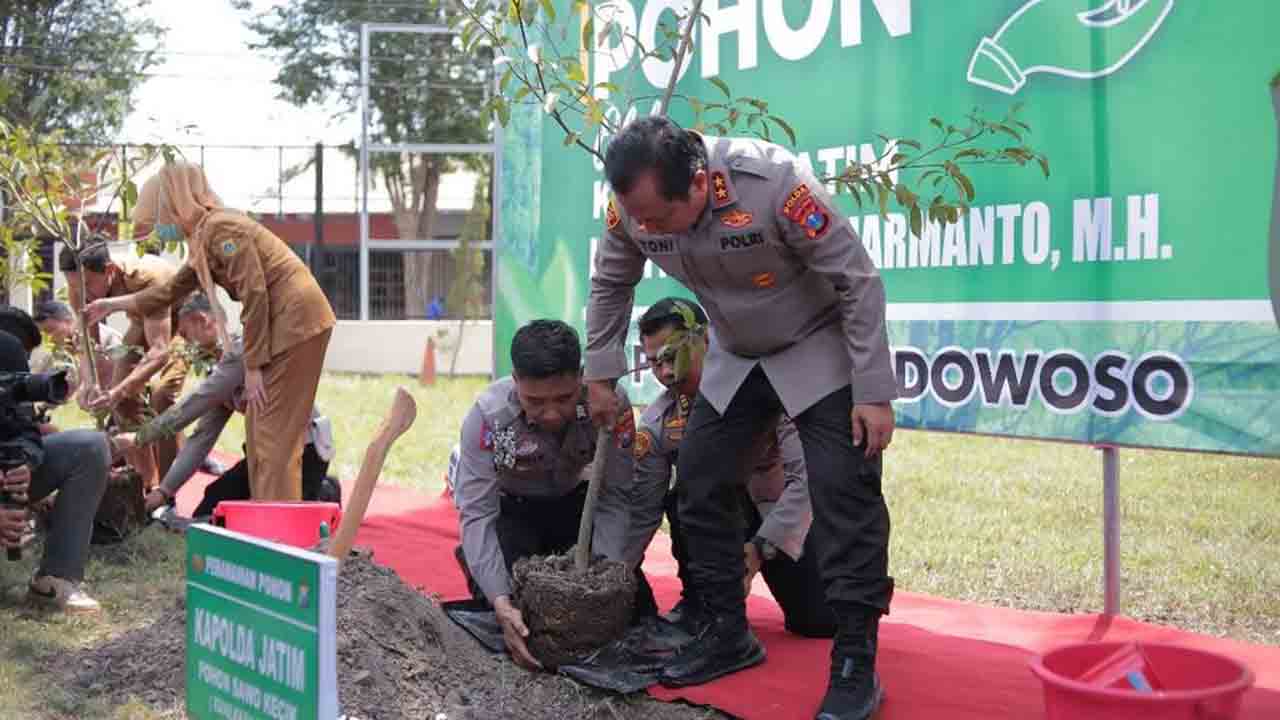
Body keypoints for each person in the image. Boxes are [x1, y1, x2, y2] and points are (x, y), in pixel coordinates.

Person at [585, 116, 898, 718]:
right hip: (736, 350)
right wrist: (600, 374)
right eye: (636, 218)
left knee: (844, 491)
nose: (642, 230)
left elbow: (858, 282)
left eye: (654, 219)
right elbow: (611, 282)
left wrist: (873, 391)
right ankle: (725, 627)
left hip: (816, 345)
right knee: (699, 480)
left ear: (700, 184)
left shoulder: (776, 184)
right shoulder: (633, 207)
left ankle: (856, 661)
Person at [83, 161, 337, 502]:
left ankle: (280, 532)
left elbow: (256, 291)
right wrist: (112, 305)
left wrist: (252, 365)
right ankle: (270, 520)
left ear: (177, 201)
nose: (161, 228)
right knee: (263, 438)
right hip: (282, 326)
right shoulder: (203, 239)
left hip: (296, 321)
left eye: (161, 215)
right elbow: (168, 291)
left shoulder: (224, 230)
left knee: (274, 440)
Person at [632, 298, 836, 639]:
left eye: (672, 356)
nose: (665, 373)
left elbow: (808, 482)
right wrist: (618, 571)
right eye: (654, 363)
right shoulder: (657, 421)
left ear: (706, 341)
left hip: (785, 518)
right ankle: (701, 598)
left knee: (818, 623)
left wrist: (758, 550)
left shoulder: (769, 393)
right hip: (721, 519)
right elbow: (642, 508)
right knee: (686, 491)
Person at [451, 319, 644, 670]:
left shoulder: (609, 407)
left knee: (633, 610)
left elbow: (616, 496)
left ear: (582, 376)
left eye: (564, 398)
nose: (552, 413)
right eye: (535, 401)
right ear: (515, 381)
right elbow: (478, 513)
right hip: (513, 512)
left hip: (573, 507)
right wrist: (499, 599)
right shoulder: (488, 417)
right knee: (519, 610)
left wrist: (600, 578)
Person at [111, 294, 339, 519]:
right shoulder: (220, 370)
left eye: (185, 334)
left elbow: (195, 403)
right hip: (266, 454)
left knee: (283, 523)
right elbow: (202, 438)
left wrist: (142, 437)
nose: (184, 344)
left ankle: (323, 492)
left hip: (302, 450)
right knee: (213, 508)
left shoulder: (242, 352)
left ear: (203, 320)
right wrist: (164, 491)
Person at [59, 242, 190, 490]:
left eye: (87, 285)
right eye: (74, 285)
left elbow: (159, 350)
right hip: (144, 322)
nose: (81, 293)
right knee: (121, 402)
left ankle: (167, 491)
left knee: (162, 396)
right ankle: (143, 487)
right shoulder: (78, 286)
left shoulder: (148, 277)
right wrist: (90, 384)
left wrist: (118, 391)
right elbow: (89, 344)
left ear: (109, 270)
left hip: (183, 323)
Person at [0, 330, 110, 614]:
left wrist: (25, 461)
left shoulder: (6, 346)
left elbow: (23, 428)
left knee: (90, 447)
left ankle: (56, 579)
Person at [31, 300, 122, 396]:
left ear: (68, 320)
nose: (49, 338)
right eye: (44, 334)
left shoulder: (108, 338)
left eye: (51, 330)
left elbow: (119, 371)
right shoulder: (57, 352)